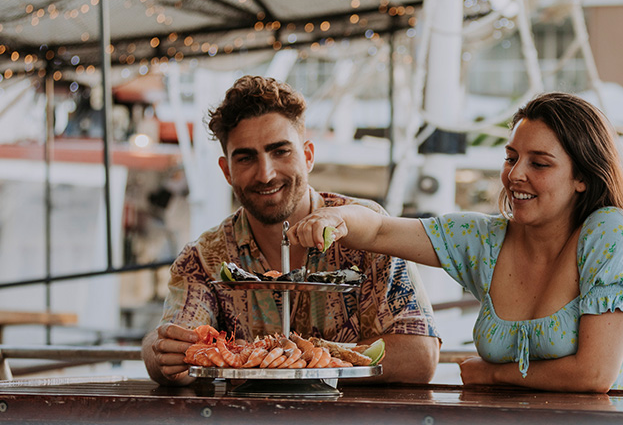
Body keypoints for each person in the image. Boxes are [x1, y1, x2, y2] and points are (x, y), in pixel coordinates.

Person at [289, 92, 623, 393]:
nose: (515, 174)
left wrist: (493, 374)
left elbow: (594, 374)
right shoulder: (485, 241)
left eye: (539, 164)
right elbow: (380, 231)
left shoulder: (609, 231)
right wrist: (336, 216)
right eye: (511, 158)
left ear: (582, 178)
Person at [142, 75, 440, 386]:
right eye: (246, 158)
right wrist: (161, 353)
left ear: (308, 155)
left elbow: (419, 355)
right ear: (226, 170)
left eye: (280, 151)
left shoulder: (364, 227)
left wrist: (301, 358)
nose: (266, 174)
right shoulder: (205, 256)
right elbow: (172, 344)